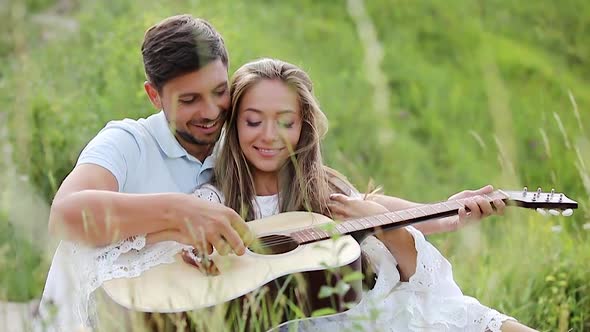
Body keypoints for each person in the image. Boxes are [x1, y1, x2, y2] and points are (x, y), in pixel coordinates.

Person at [38, 14, 521, 331]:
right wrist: (181, 211)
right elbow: (65, 216)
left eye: (219, 92)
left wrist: (442, 213)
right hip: (101, 312)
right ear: (153, 96)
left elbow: (330, 196)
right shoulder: (126, 142)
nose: (210, 112)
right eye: (189, 101)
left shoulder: (239, 138)